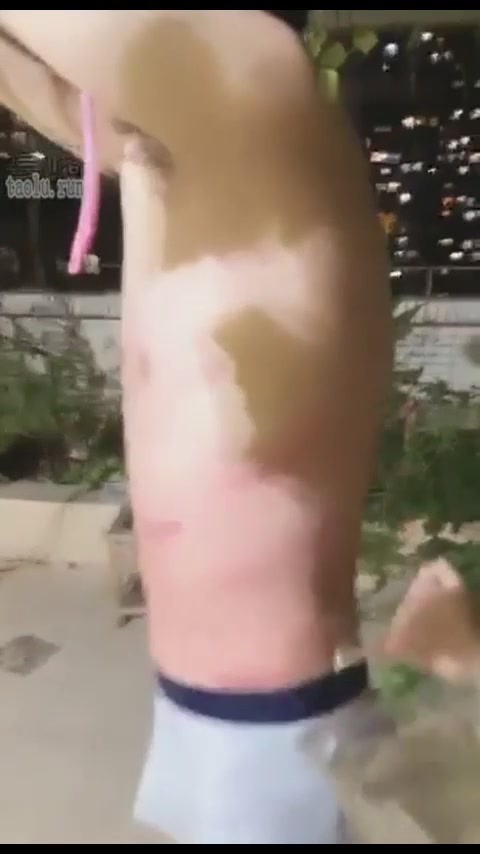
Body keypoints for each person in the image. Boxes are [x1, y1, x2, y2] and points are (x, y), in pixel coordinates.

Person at [0, 10, 393, 843]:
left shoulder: (252, 72)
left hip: (269, 717)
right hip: (223, 703)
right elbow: (72, 106)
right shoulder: (192, 137)